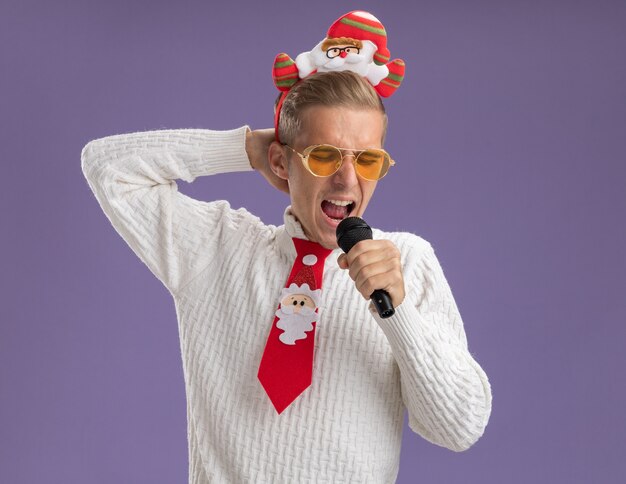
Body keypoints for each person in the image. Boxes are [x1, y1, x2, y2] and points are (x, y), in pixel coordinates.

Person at [82, 69, 491, 482]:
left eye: (367, 160)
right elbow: (108, 168)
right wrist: (245, 149)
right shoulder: (216, 248)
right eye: (325, 155)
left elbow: (458, 429)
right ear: (282, 162)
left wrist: (398, 313)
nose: (347, 179)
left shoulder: (406, 263)